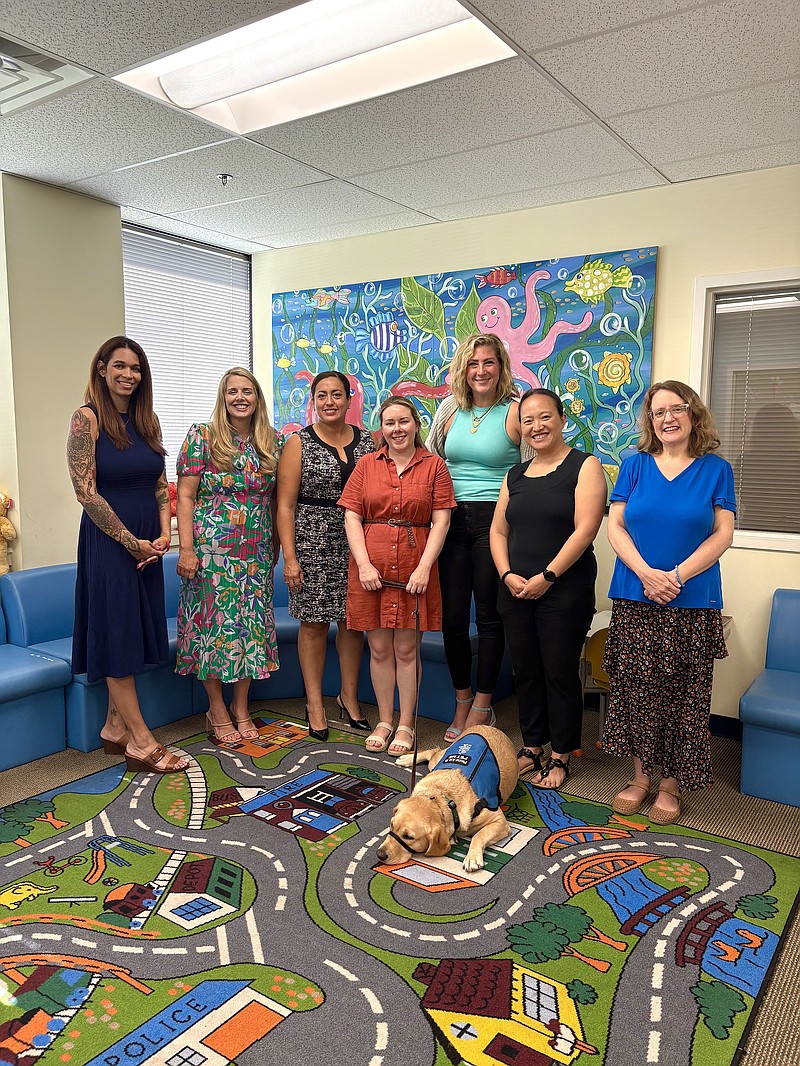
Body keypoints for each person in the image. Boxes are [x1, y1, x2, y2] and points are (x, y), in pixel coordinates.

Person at [604, 380, 736, 824]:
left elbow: (723, 534)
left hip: (693, 599)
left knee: (685, 695)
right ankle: (640, 778)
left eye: (676, 408)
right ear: (650, 420)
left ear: (693, 413)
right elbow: (616, 526)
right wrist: (646, 573)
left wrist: (676, 576)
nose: (667, 418)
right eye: (658, 412)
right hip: (635, 594)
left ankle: (670, 785)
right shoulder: (634, 465)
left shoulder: (716, 469)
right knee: (636, 690)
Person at [68, 336, 188, 774]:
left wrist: (162, 531)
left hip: (147, 546)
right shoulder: (86, 419)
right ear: (102, 368)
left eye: (135, 368)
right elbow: (85, 491)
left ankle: (114, 727)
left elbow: (159, 480)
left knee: (132, 632)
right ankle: (141, 741)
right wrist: (128, 540)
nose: (128, 375)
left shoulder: (146, 418)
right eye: (119, 366)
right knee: (117, 635)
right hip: (109, 544)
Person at [490, 389, 607, 789]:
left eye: (544, 418)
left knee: (558, 671)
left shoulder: (584, 465)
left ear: (561, 419)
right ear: (520, 429)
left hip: (563, 589)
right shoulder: (515, 475)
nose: (536, 427)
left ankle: (560, 755)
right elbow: (498, 530)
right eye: (527, 420)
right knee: (526, 670)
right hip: (515, 589)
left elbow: (586, 528)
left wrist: (548, 577)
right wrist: (506, 575)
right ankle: (532, 747)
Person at [427, 333, 533, 742]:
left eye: (489, 362)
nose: (481, 371)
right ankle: (462, 698)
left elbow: (528, 471)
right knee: (452, 620)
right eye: (473, 363)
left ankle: (484, 705)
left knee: (489, 618)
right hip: (451, 520)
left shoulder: (515, 411)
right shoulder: (450, 409)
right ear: (463, 369)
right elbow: (435, 460)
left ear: (501, 367)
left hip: (495, 521)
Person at [339, 396, 455, 757]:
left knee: (406, 649)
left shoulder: (434, 466)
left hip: (414, 567)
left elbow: (441, 520)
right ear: (382, 428)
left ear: (416, 424)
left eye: (403, 421)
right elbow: (352, 517)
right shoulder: (366, 466)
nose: (397, 429)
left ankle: (406, 723)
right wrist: (363, 564)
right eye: (390, 423)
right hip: (371, 568)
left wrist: (424, 567)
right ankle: (384, 720)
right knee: (377, 648)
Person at [175, 367, 283, 743]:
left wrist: (277, 547)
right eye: (232, 391)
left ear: (257, 398)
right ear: (223, 398)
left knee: (251, 628)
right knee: (212, 628)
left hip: (254, 551)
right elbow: (185, 495)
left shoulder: (271, 441)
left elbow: (275, 500)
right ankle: (216, 709)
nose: (240, 397)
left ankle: (241, 706)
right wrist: (185, 548)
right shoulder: (202, 437)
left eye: (247, 391)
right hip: (211, 552)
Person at [276, 371, 375, 740]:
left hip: (357, 543)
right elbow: (284, 506)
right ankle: (314, 703)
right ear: (313, 401)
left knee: (352, 624)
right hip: (311, 542)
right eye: (322, 396)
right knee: (314, 624)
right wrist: (290, 557)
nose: (330, 402)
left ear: (349, 400)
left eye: (337, 395)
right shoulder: (298, 443)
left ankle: (348, 698)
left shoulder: (368, 442)